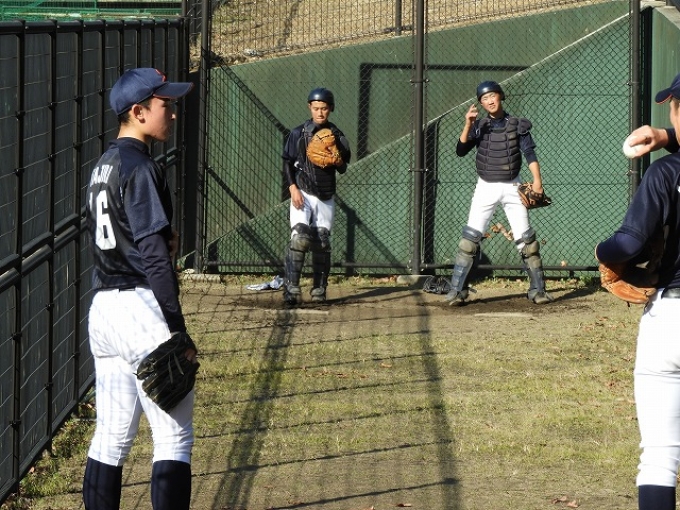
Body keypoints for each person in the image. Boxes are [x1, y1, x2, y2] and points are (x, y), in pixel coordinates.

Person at [83, 68, 197, 510]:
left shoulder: (103, 166)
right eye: (165, 104)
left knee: (111, 437)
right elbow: (152, 254)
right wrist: (176, 328)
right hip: (140, 308)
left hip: (104, 309)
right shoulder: (141, 166)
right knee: (174, 436)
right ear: (139, 111)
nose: (172, 112)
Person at [595, 72, 680, 510]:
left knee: (660, 458)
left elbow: (628, 245)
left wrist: (603, 252)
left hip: (670, 321)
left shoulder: (665, 173)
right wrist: (666, 136)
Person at [445, 80, 552, 305]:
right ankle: (457, 291)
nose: (490, 101)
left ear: (500, 96)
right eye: (484, 98)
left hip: (513, 186)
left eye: (492, 95)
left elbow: (530, 154)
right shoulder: (479, 125)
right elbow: (460, 150)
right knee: (469, 241)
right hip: (486, 187)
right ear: (481, 103)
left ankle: (538, 291)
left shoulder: (518, 125)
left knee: (527, 242)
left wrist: (537, 182)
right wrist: (467, 124)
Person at [281, 87, 351, 305]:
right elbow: (286, 162)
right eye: (316, 108)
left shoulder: (337, 135)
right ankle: (291, 289)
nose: (320, 112)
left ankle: (319, 290)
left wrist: (337, 158)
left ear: (331, 109)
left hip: (325, 193)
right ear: (309, 107)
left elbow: (343, 167)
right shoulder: (298, 133)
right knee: (300, 238)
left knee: (321, 242)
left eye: (324, 108)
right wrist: (292, 188)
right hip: (302, 190)